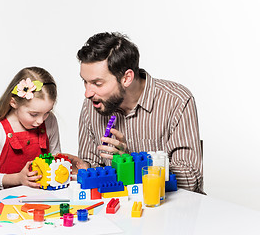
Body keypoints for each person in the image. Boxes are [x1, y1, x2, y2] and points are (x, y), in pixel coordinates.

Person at [73, 32, 204, 193]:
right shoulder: (92, 104)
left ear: (126, 78)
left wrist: (132, 164)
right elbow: (94, 169)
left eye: (97, 83)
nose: (87, 93)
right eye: (84, 81)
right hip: (120, 210)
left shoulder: (177, 101)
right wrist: (85, 169)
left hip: (170, 211)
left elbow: (191, 179)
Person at [0, 67, 61, 189]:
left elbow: (55, 159)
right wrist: (18, 179)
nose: (40, 121)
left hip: (45, 197)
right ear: (13, 102)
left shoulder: (50, 121)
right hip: (7, 202)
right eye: (33, 114)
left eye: (47, 112)